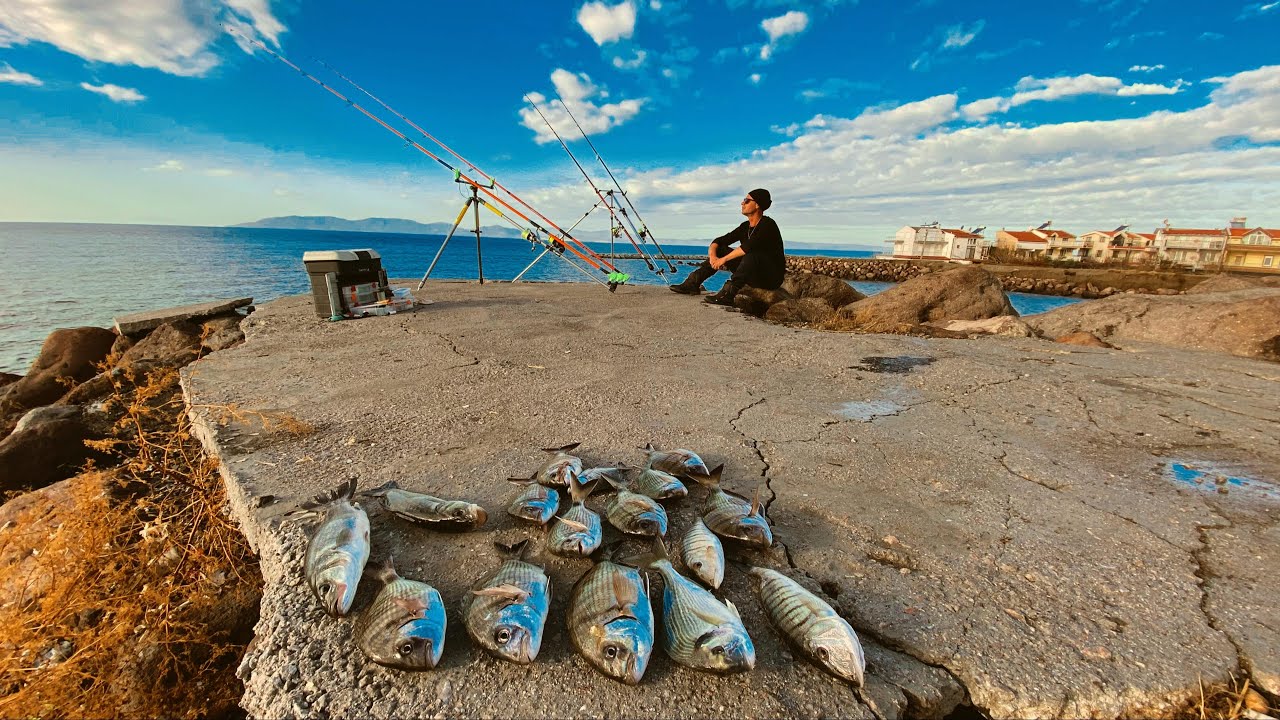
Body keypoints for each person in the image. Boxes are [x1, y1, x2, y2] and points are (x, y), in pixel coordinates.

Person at [670, 188, 785, 305]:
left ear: (757, 205)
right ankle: (692, 283)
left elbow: (747, 247)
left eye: (746, 200)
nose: (742, 203)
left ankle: (727, 295)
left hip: (770, 277)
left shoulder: (768, 225)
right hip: (752, 272)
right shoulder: (745, 226)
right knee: (720, 249)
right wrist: (714, 257)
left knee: (751, 255)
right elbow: (719, 241)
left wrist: (723, 260)